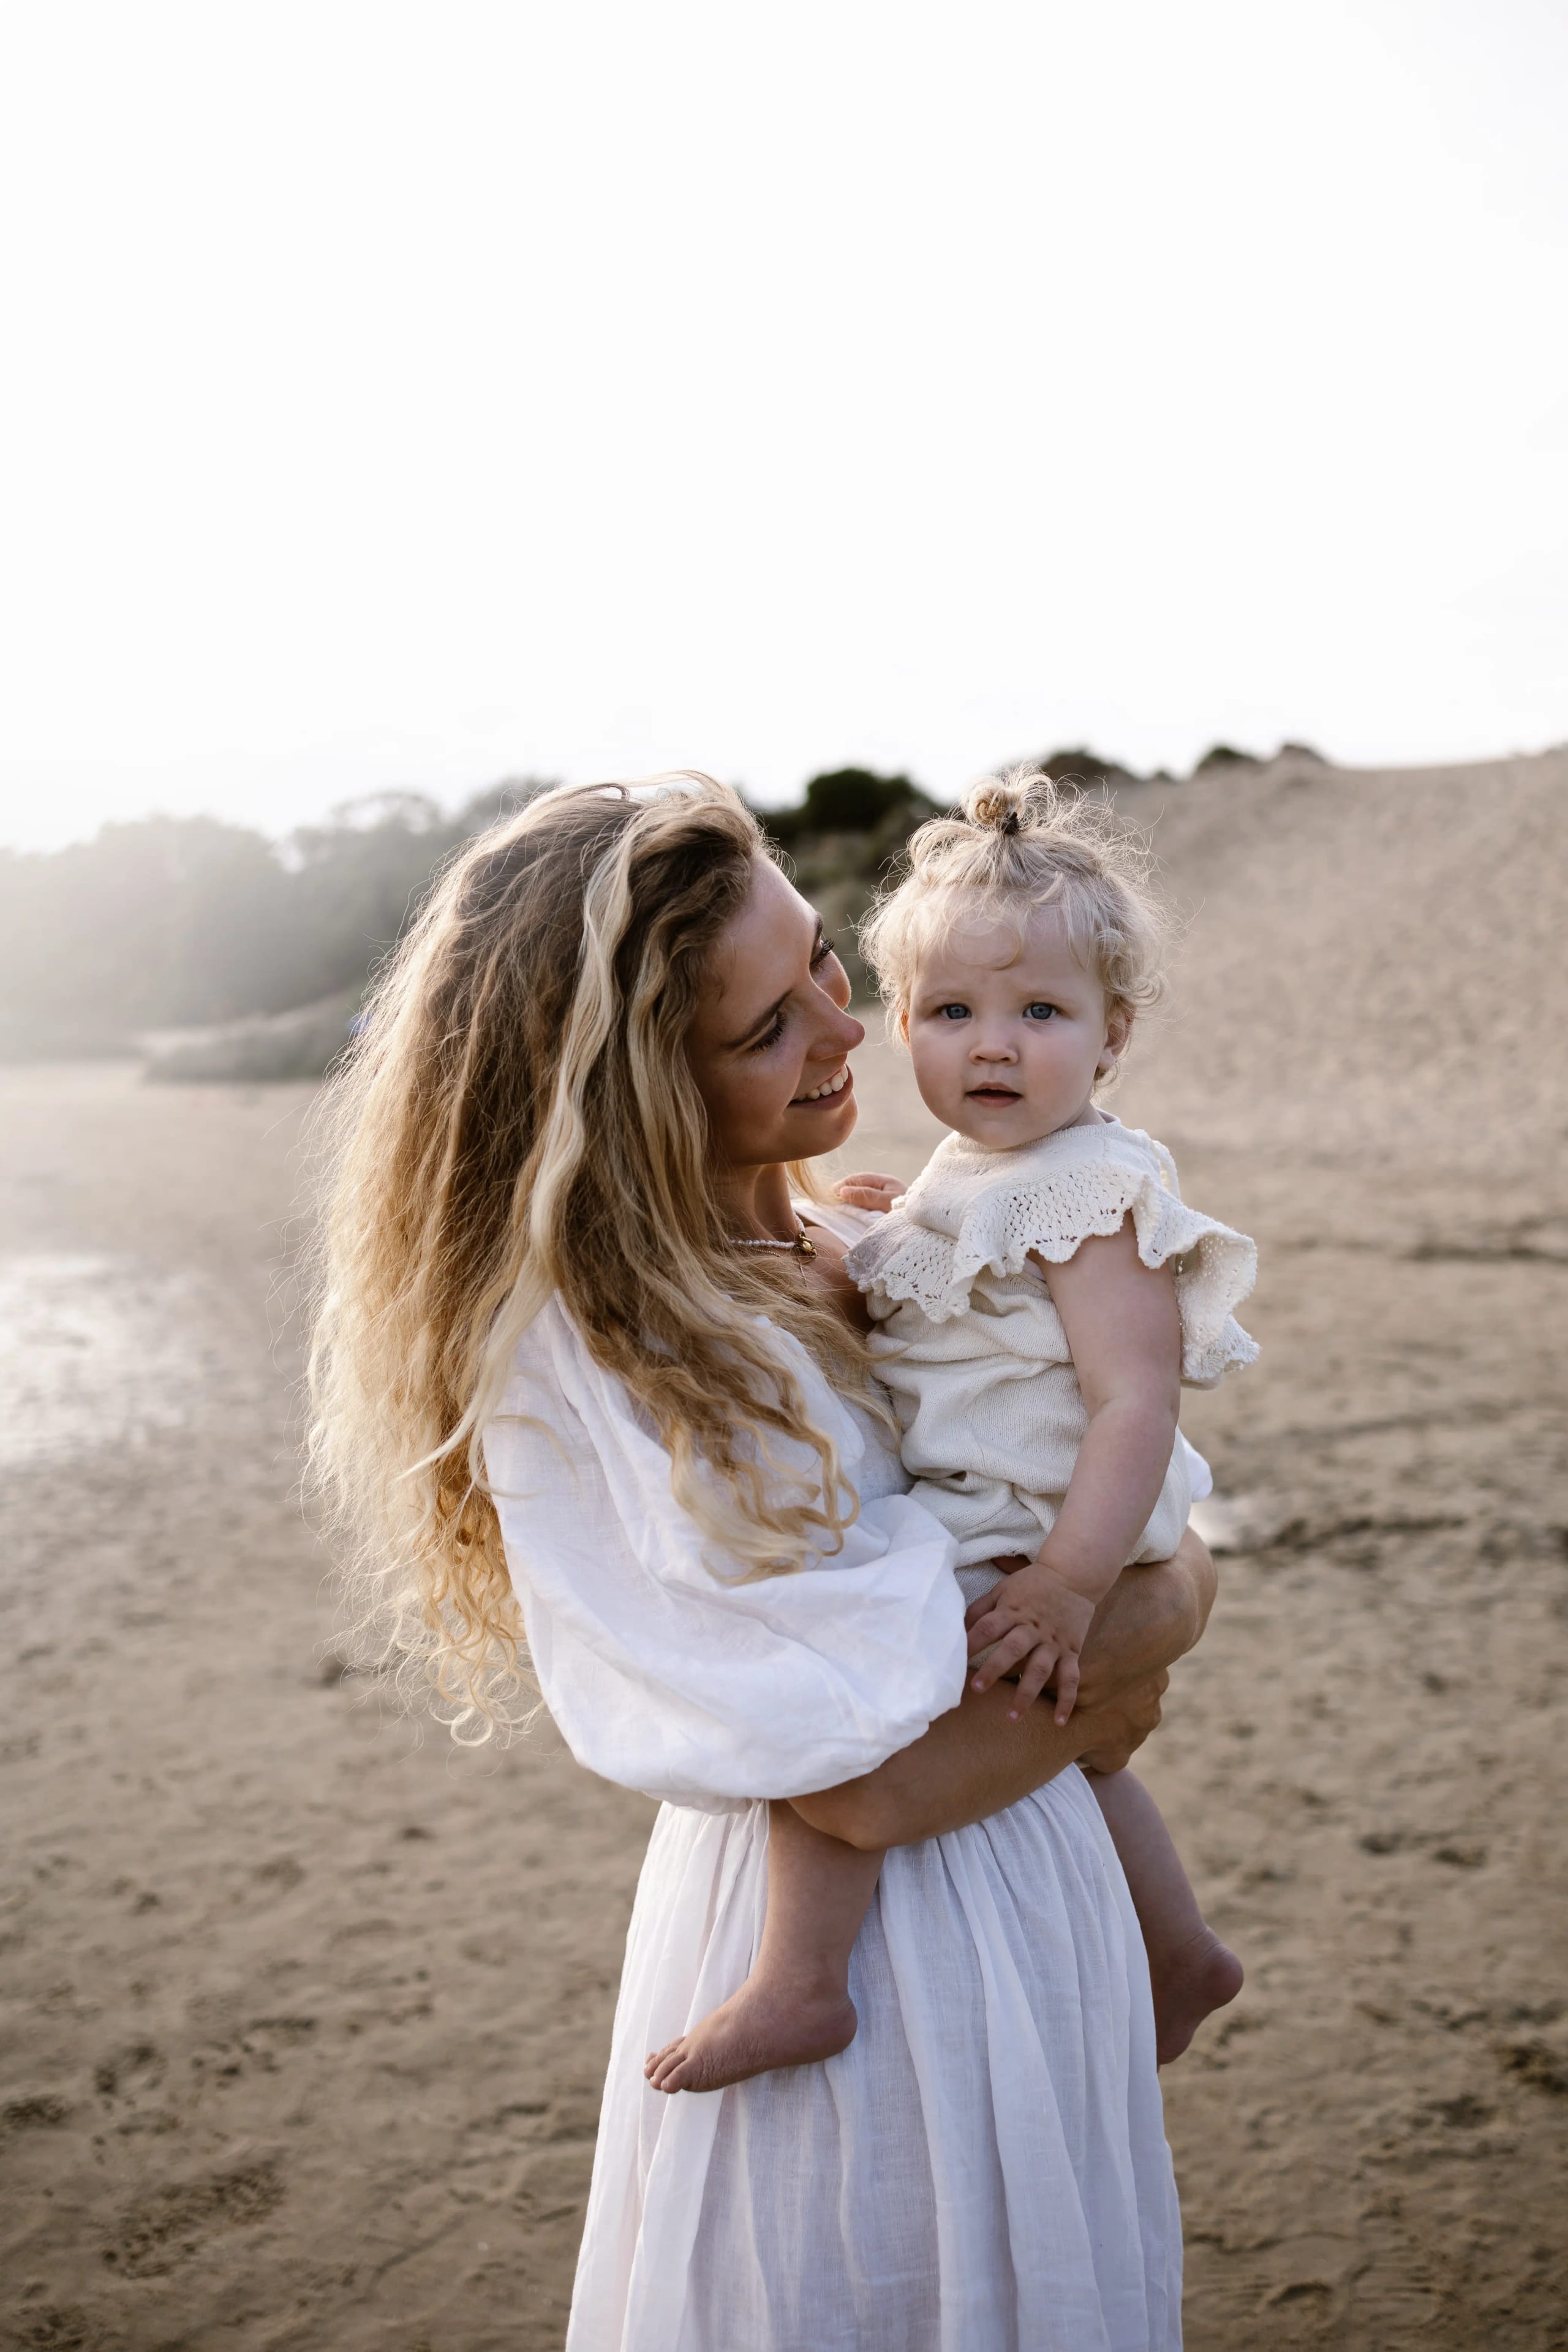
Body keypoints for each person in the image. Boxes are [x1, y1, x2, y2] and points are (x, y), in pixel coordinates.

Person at [308, 772, 1216, 2351]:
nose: (847, 1031)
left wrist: (1155, 1596)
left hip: (1021, 1886)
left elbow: (1126, 1497)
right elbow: (854, 1774)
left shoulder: (855, 1239)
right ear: (635, 1088)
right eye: (767, 1029)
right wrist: (1152, 1614)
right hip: (858, 1965)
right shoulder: (591, 1355)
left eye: (824, 966)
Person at [652, 771, 1250, 2105]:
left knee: (847, 1717)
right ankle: (1181, 1953)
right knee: (1086, 1752)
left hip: (1042, 1521)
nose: (991, 1047)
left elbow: (1133, 1401)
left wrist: (1071, 1584)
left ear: (1112, 1036)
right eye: (949, 1013)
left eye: (1038, 1013)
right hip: (1011, 1517)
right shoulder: (971, 1175)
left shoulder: (1089, 1189)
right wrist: (874, 1247)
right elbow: (953, 1325)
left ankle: (801, 1981)